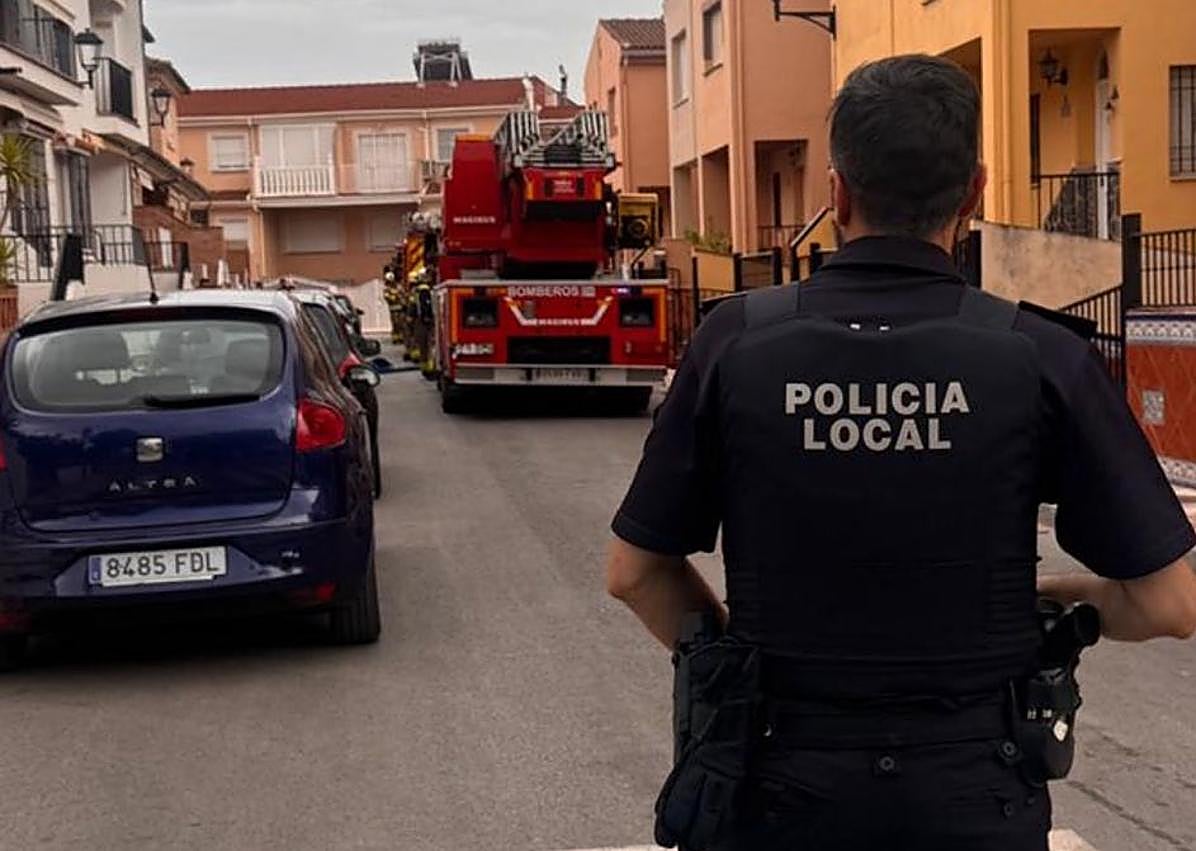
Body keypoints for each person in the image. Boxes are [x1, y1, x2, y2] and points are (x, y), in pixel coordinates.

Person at [606, 54, 1196, 851]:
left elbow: (634, 571)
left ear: (837, 193)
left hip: (776, 794)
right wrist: (1047, 600)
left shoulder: (734, 343)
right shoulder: (1042, 358)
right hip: (975, 805)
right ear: (974, 193)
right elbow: (1169, 603)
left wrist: (733, 665)